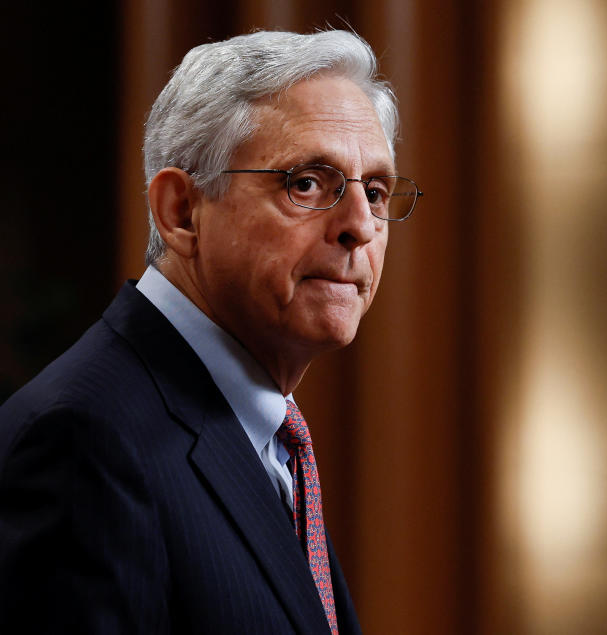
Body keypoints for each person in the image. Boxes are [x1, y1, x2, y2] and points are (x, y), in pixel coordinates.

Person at [0, 29, 421, 634]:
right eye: (306, 183)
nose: (360, 225)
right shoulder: (83, 441)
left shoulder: (273, 437)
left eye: (375, 191)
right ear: (180, 211)